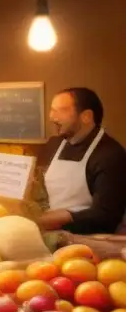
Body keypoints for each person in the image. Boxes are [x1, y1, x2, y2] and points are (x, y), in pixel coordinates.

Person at [37, 88, 126, 234]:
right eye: (52, 110)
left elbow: (106, 215)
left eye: (61, 111)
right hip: (52, 232)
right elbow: (42, 185)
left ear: (86, 116)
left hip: (91, 239)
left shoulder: (111, 155)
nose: (52, 117)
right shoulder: (54, 143)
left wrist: (62, 217)